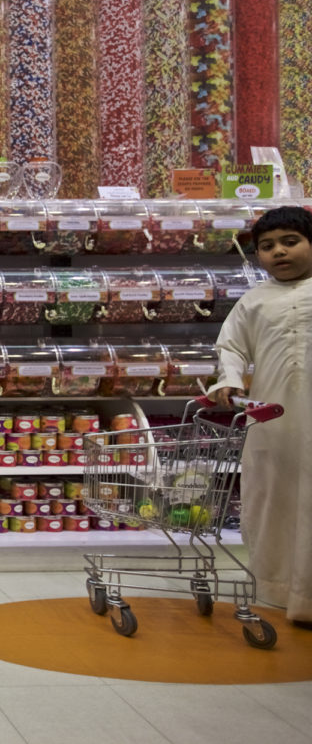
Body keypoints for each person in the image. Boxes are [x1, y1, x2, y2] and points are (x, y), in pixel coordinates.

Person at [208, 205, 312, 629]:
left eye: (291, 241)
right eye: (267, 247)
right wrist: (228, 380)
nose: (278, 253)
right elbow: (230, 348)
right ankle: (278, 589)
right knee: (275, 499)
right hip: (274, 421)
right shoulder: (254, 301)